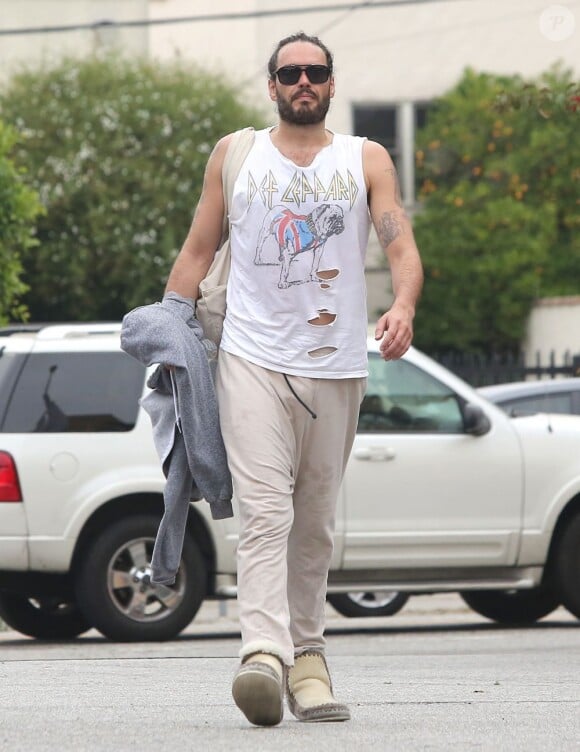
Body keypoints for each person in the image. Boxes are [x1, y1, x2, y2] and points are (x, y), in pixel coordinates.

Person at [164, 31, 423, 727]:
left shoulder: (365, 158)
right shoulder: (235, 155)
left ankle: (308, 660)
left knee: (313, 524)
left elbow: (399, 241)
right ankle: (261, 654)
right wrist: (169, 331)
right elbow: (197, 248)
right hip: (252, 358)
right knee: (267, 512)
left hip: (337, 365)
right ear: (272, 85)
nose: (302, 82)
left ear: (332, 84)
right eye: (290, 73)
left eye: (315, 72)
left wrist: (402, 305)